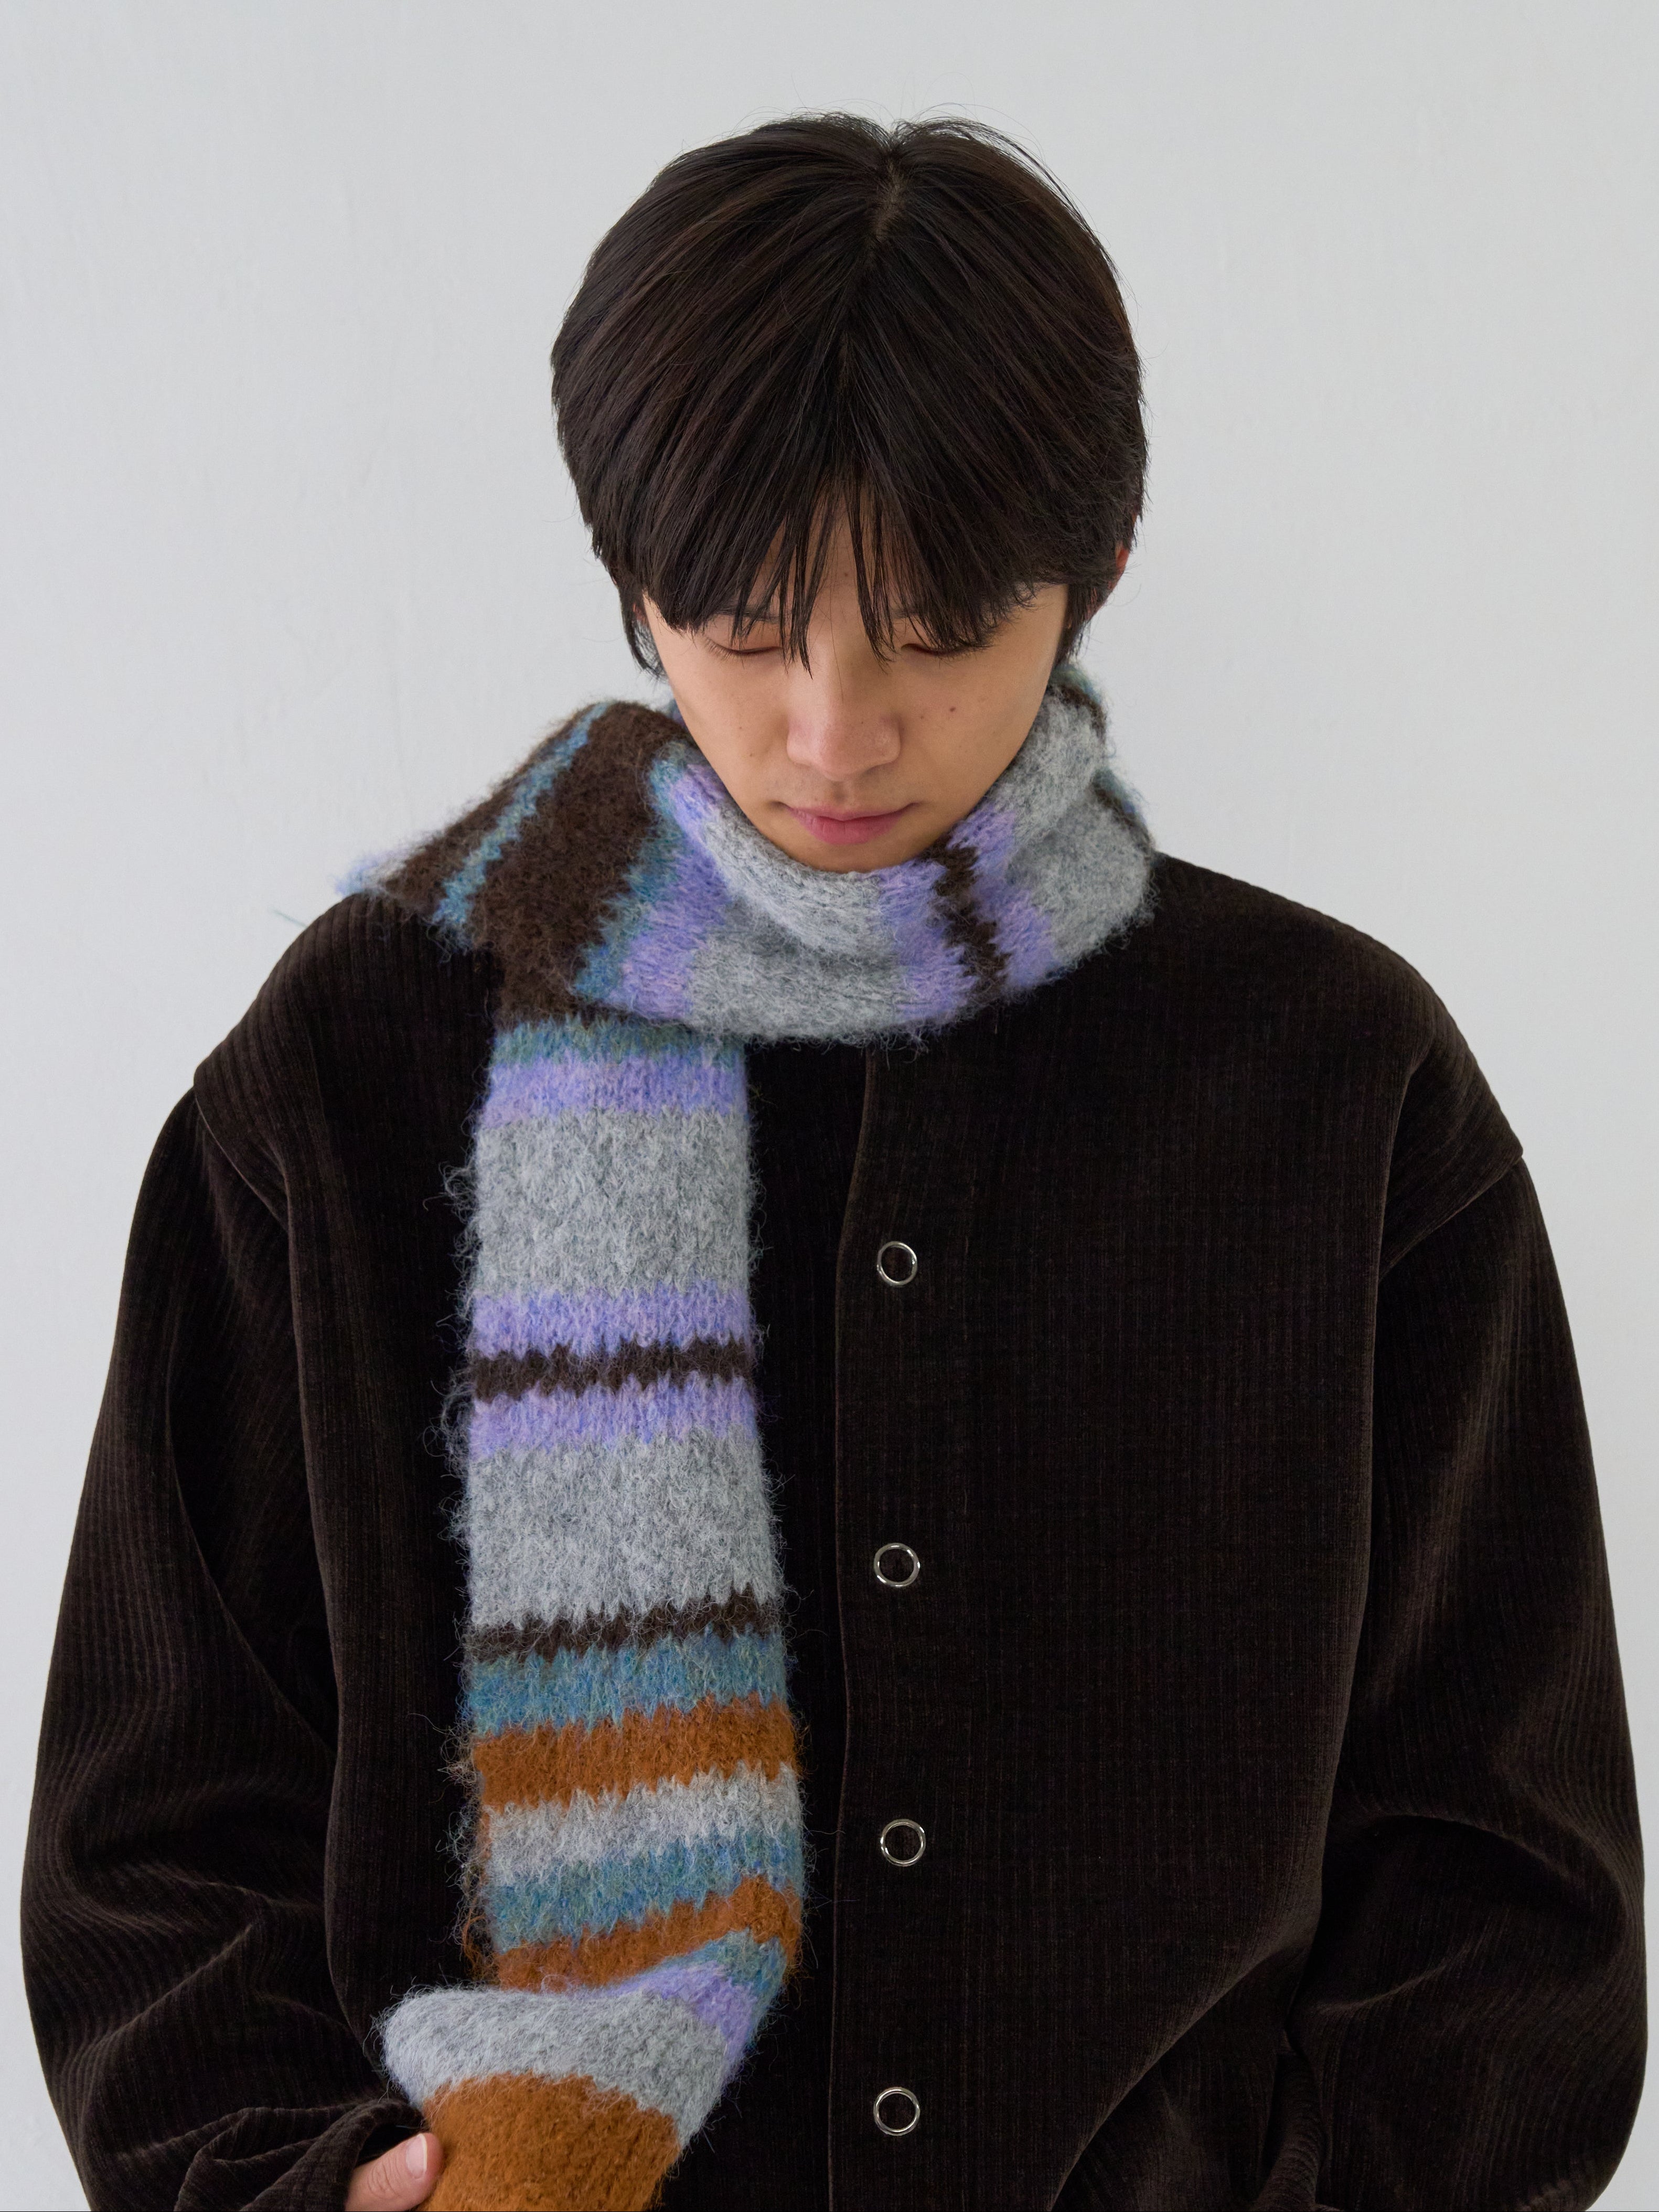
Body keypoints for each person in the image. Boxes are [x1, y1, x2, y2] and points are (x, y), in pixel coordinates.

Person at [22, 112, 1643, 2212]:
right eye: (743, 621)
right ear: (634, 583)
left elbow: (1499, 1861)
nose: (831, 728)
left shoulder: (1337, 1083)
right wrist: (296, 2182)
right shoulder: (353, 1067)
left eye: (934, 626)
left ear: (1092, 578)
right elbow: (160, 1816)